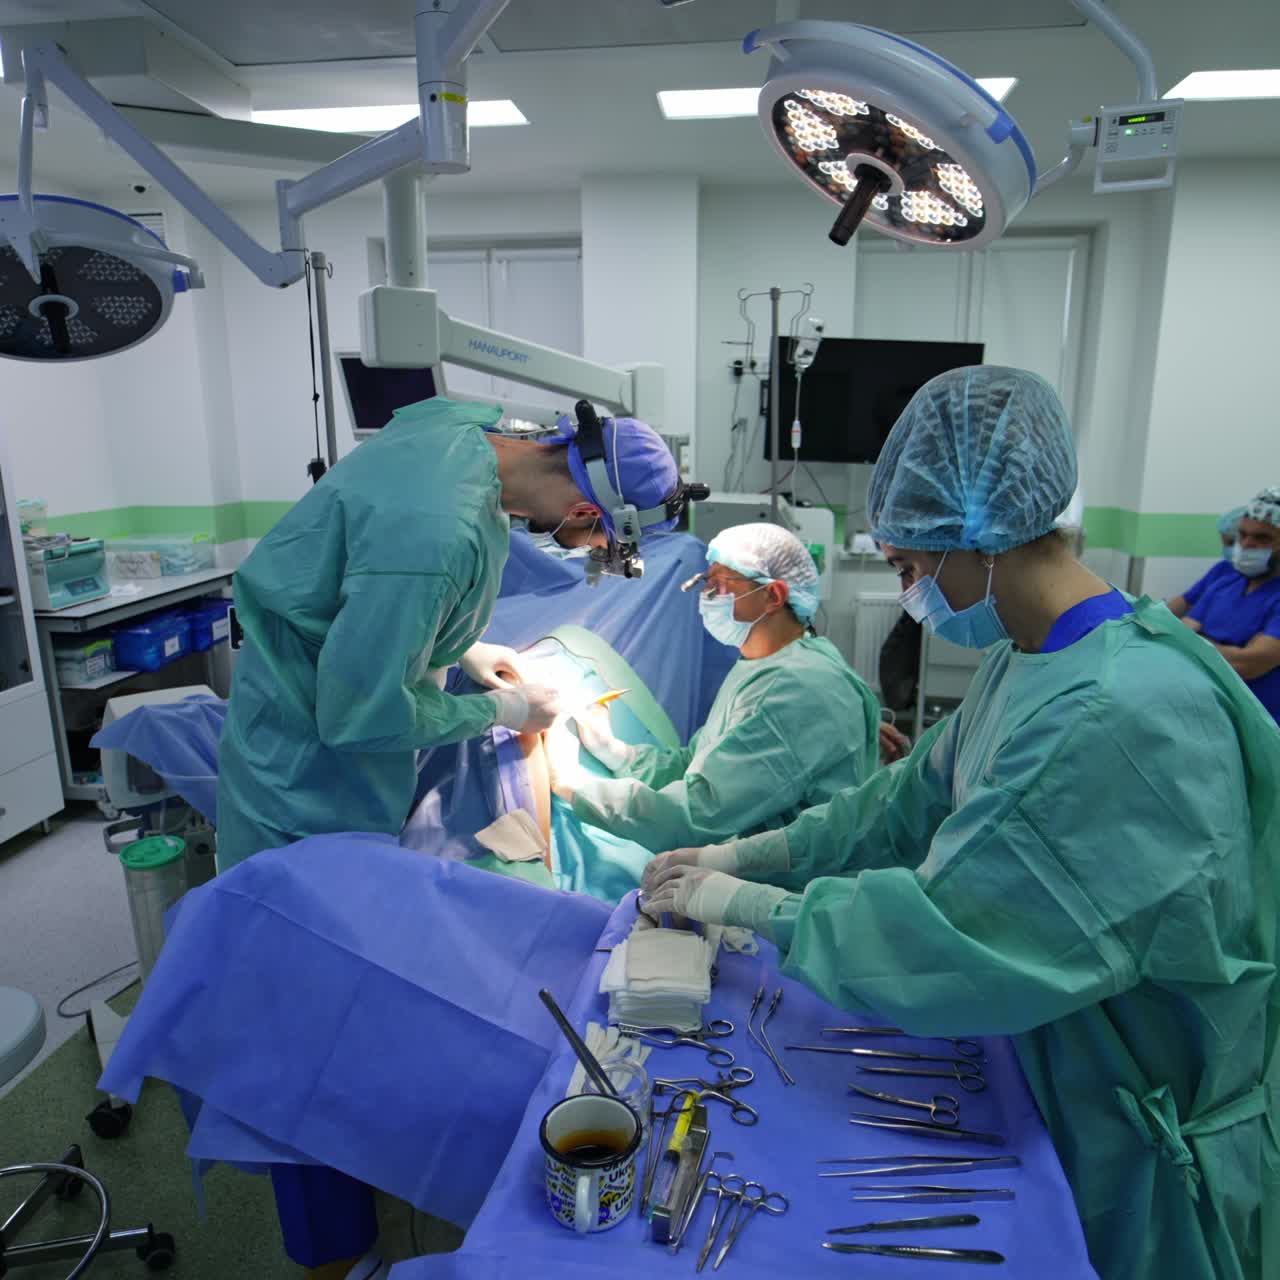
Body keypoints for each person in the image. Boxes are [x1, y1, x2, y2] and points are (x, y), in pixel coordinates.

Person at [639, 367, 1279, 1280]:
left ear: (978, 535)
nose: (909, 592)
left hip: (1136, 1120)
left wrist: (744, 904)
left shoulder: (1108, 713)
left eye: (908, 569)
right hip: (1066, 1053)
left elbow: (947, 935)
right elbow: (903, 800)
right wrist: (750, 852)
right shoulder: (1038, 655)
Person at [216, 397, 681, 871]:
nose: (593, 553)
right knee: (289, 907)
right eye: (600, 546)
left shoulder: (452, 425)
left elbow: (368, 580)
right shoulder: (438, 540)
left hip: (297, 701)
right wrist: (504, 710)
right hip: (304, 781)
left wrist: (458, 647)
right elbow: (359, 714)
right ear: (583, 512)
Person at [544, 523, 883, 854]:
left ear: (773, 596)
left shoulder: (797, 688)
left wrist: (577, 788)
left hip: (786, 883)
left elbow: (697, 813)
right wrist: (618, 754)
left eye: (719, 585)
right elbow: (698, 764)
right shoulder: (763, 666)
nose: (707, 597)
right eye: (705, 583)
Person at [1167, 489, 1280, 723]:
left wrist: (1199, 642)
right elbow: (1179, 635)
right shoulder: (1226, 582)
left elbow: (1247, 664)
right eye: (1243, 535)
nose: (1247, 544)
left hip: (1260, 725)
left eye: (1262, 538)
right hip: (1208, 715)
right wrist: (1231, 649)